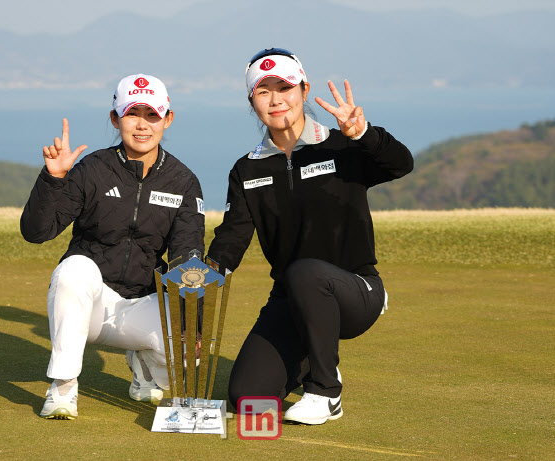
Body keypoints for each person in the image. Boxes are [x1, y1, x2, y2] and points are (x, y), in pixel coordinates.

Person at [207, 49, 413, 425]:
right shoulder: (246, 170)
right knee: (247, 398)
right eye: (263, 91)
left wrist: (363, 134)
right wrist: (202, 278)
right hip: (291, 300)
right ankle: (312, 361)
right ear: (252, 101)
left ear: (304, 90)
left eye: (285, 88)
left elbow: (401, 164)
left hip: (356, 291)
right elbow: (232, 238)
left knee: (306, 272)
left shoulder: (342, 147)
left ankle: (325, 392)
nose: (276, 99)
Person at [21, 74, 205, 420]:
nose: (142, 125)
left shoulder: (182, 181)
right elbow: (37, 232)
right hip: (90, 305)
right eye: (132, 113)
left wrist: (192, 320)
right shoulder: (92, 170)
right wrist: (53, 179)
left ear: (167, 119)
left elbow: (188, 253)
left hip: (141, 304)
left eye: (152, 115)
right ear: (115, 118)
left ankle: (145, 365)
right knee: (73, 269)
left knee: (188, 352)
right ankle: (63, 387)